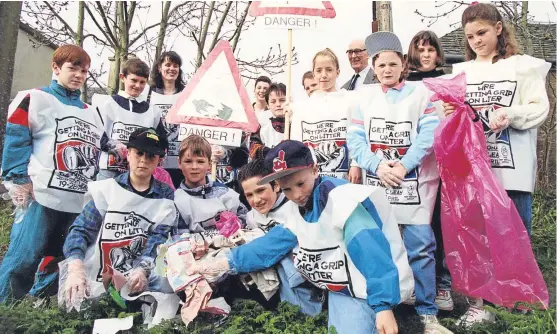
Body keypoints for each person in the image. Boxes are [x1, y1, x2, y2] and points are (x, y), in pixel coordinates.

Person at [187, 140, 414, 334]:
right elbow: (272, 244)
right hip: (340, 287)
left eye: (300, 184)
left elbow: (371, 252)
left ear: (314, 170)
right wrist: (225, 262)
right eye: (287, 189)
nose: (296, 195)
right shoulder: (296, 208)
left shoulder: (341, 200)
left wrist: (383, 306)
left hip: (366, 288)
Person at [442, 2, 551, 327]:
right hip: (473, 173)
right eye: (470, 36)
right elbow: (450, 120)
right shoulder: (462, 72)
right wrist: (448, 115)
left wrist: (511, 114)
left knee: (515, 238)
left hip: (512, 170)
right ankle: (480, 305)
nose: (476, 40)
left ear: (499, 29)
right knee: (477, 241)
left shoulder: (522, 67)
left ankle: (517, 306)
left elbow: (539, 109)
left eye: (482, 32)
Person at [347, 31, 452, 334]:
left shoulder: (423, 94)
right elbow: (355, 141)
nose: (387, 71)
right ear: (374, 67)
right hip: (378, 184)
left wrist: (404, 166)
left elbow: (428, 135)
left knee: (421, 248)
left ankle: (427, 312)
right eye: (381, 66)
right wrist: (378, 165)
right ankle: (384, 306)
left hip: (415, 186)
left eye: (393, 65)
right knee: (380, 246)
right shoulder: (362, 98)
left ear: (403, 65)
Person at [0, 45, 104, 302]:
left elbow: (100, 146)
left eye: (84, 71)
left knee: (59, 257)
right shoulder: (34, 98)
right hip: (40, 193)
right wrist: (17, 178)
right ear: (56, 68)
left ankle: (38, 305)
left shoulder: (91, 112)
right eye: (72, 68)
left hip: (76, 199)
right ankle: (5, 308)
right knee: (24, 255)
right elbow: (17, 137)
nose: (79, 75)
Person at [60, 127, 177, 310]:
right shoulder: (106, 190)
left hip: (139, 272)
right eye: (138, 153)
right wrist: (75, 266)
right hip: (97, 268)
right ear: (128, 153)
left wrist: (143, 268)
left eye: (151, 157)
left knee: (166, 282)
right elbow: (81, 230)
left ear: (159, 161)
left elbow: (159, 238)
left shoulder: (166, 195)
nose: (143, 161)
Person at [238, 157, 323, 316]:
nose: (256, 200)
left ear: (276, 185)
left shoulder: (294, 207)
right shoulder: (252, 217)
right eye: (249, 195)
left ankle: (304, 316)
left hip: (305, 277)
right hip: (269, 278)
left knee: (284, 260)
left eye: (260, 190)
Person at [406, 30, 453, 313]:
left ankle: (443, 285)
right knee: (415, 227)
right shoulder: (404, 83)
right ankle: (416, 283)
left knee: (440, 224)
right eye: (420, 49)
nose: (425, 55)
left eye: (430, 50)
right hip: (413, 165)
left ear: (438, 53)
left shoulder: (447, 81)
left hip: (443, 161)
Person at [287, 48, 363, 184]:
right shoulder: (302, 107)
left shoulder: (351, 100)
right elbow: (298, 144)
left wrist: (356, 164)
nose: (324, 75)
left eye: (329, 69)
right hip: (314, 178)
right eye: (319, 70)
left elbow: (359, 135)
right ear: (314, 74)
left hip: (346, 175)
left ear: (337, 72)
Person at [97, 58, 164, 180]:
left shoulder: (153, 111)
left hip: (139, 172)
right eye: (133, 80)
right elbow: (97, 134)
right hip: (110, 170)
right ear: (122, 77)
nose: (137, 86)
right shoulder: (107, 104)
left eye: (142, 82)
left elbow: (162, 140)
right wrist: (113, 146)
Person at [148, 51, 187, 188]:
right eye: (168, 64)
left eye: (175, 66)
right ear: (159, 67)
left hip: (181, 157)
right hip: (156, 157)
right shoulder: (148, 93)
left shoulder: (186, 94)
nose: (172, 69)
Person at [259, 83, 287, 148]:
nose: (278, 104)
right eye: (273, 101)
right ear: (268, 105)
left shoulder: (296, 126)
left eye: (282, 100)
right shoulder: (264, 131)